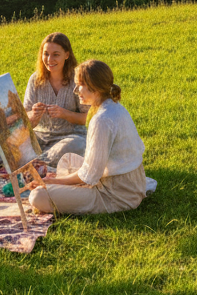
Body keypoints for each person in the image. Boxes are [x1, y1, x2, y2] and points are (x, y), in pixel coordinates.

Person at [26, 60, 147, 215]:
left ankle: (59, 192)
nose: (76, 90)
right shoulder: (114, 106)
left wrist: (51, 182)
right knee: (67, 160)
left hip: (114, 195)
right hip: (132, 183)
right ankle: (62, 190)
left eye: (80, 85)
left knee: (38, 196)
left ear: (94, 87)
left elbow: (89, 175)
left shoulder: (102, 119)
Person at [0, 32, 88, 168]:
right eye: (46, 54)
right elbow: (24, 117)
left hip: (68, 138)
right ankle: (38, 164)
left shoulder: (77, 80)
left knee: (78, 145)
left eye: (56, 54)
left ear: (67, 55)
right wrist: (33, 115)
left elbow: (88, 117)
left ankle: (32, 164)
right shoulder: (35, 80)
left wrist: (65, 114)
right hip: (39, 139)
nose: (49, 59)